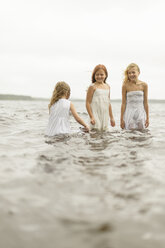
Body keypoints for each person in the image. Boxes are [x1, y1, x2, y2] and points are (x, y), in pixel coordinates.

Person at [86, 64, 115, 131]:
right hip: (95, 113)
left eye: (101, 74)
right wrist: (91, 117)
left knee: (104, 133)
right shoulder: (92, 86)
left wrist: (112, 118)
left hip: (104, 114)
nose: (99, 76)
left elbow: (108, 103)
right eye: (97, 74)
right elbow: (87, 103)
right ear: (94, 75)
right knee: (95, 131)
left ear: (105, 75)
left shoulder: (107, 86)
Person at [120, 63, 149, 130]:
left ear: (138, 73)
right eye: (129, 73)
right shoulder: (125, 85)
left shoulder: (144, 85)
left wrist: (147, 118)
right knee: (130, 135)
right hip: (129, 113)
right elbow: (123, 103)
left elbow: (145, 103)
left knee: (142, 136)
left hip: (140, 113)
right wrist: (121, 119)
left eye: (133, 72)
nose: (131, 74)